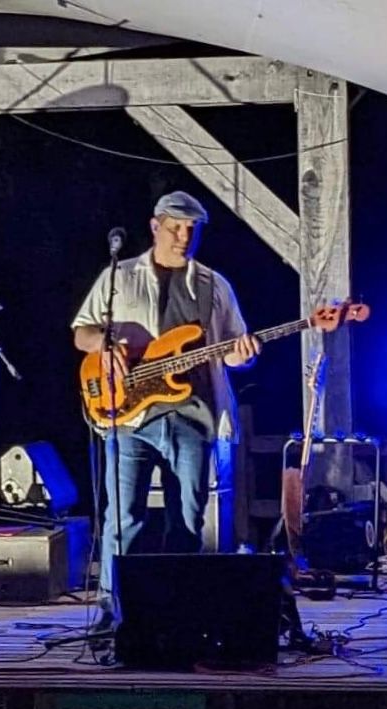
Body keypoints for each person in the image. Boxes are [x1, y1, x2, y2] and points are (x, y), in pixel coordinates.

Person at [71, 191, 260, 628]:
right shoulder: (119, 276)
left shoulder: (214, 285)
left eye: (192, 229)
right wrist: (103, 345)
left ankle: (177, 611)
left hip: (192, 415)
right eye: (176, 228)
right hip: (128, 414)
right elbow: (82, 332)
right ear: (155, 227)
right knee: (123, 519)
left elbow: (234, 350)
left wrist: (244, 354)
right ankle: (113, 612)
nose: (184, 236)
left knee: (188, 519)